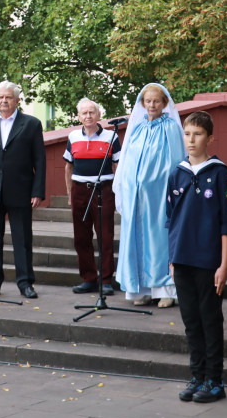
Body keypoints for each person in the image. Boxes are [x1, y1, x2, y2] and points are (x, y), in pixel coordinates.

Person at [167, 111, 227, 403]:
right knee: (190, 321)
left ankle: (214, 380)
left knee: (210, 319)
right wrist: (171, 260)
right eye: (187, 134)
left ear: (209, 137)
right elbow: (170, 219)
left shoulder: (220, 172)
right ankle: (196, 376)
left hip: (209, 261)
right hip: (182, 258)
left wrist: (224, 265)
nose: (191, 140)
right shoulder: (178, 172)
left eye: (197, 134)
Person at [0, 81, 46, 299]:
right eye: (0, 97)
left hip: (21, 190)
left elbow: (40, 160)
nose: (4, 101)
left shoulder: (31, 124)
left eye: (8, 97)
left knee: (22, 239)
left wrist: (37, 190)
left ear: (17, 100)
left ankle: (25, 283)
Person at [114, 83, 186, 308]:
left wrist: (156, 185)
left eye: (156, 101)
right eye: (148, 101)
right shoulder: (136, 129)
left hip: (157, 196)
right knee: (136, 239)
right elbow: (126, 161)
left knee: (158, 240)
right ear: (142, 103)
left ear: (165, 103)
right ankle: (141, 289)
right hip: (136, 197)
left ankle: (166, 290)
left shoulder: (171, 128)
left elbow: (174, 164)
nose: (152, 105)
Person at [62, 98, 121, 295]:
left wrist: (118, 191)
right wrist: (70, 193)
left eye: (91, 112)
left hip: (103, 189)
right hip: (79, 189)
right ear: (79, 116)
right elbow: (68, 166)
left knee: (105, 235)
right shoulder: (73, 136)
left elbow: (118, 166)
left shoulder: (111, 136)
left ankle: (105, 280)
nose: (88, 116)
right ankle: (88, 278)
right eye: (84, 113)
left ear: (99, 115)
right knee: (81, 237)